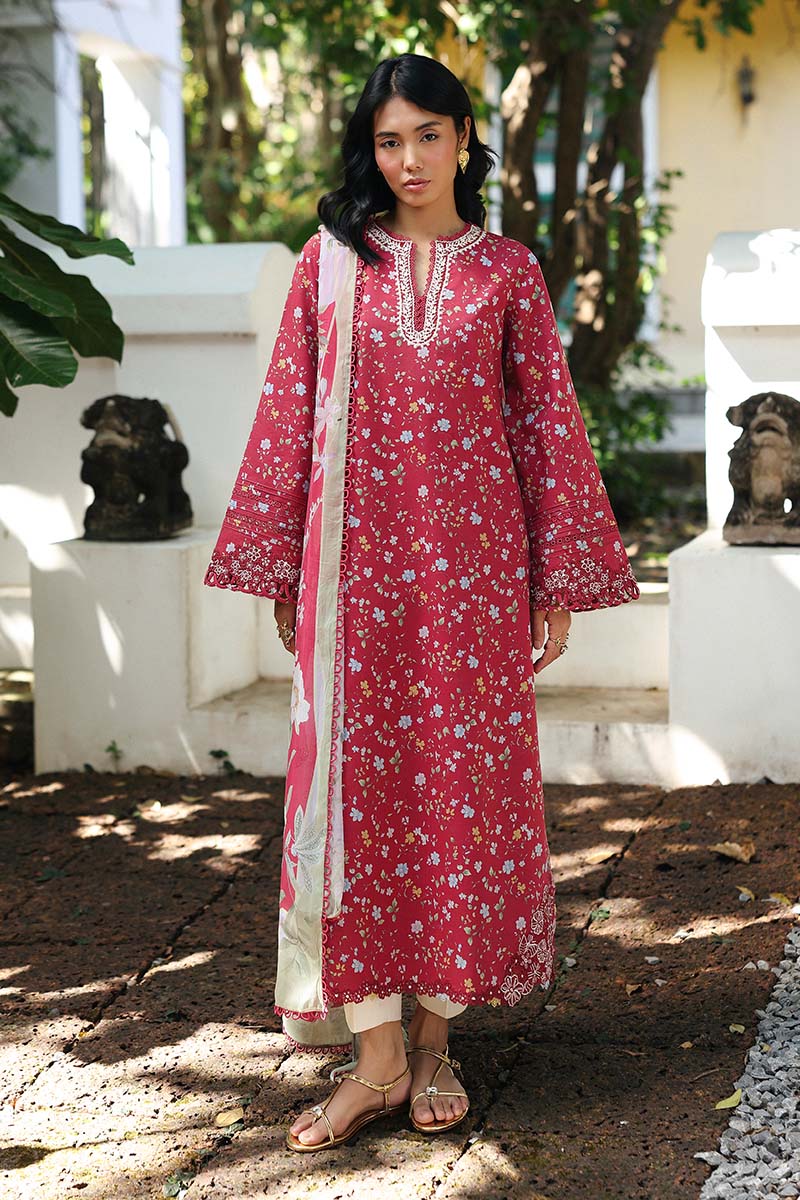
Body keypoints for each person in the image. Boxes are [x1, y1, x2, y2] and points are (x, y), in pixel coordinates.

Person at [203, 52, 640, 1152]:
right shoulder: (329, 265)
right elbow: (288, 413)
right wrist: (283, 566)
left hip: (473, 579)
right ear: (372, 149)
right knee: (354, 795)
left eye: (428, 137)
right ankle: (377, 1056)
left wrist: (555, 582)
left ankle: (437, 1040)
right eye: (388, 141)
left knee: (458, 794)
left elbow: (545, 429)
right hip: (353, 577)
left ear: (463, 141)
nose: (408, 160)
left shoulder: (508, 272)